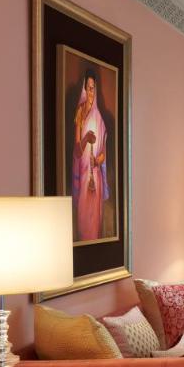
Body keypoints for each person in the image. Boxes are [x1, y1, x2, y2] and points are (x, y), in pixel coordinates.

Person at [72, 67, 110, 241]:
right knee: (83, 224)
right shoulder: (80, 115)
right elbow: (77, 152)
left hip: (95, 180)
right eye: (88, 87)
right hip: (84, 179)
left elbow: (103, 155)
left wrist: (97, 161)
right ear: (84, 89)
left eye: (93, 87)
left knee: (94, 227)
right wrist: (86, 138)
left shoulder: (99, 118)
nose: (91, 92)